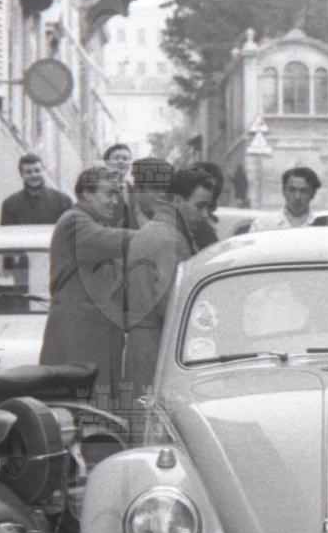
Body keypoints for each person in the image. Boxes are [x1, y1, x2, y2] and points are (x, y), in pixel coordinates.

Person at [39, 166, 136, 407]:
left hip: (94, 335)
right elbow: (113, 241)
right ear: (87, 194)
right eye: (109, 193)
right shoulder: (74, 221)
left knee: (98, 409)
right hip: (79, 336)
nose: (115, 201)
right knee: (84, 409)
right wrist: (155, 236)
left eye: (117, 194)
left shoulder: (93, 223)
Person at [120, 158, 185, 413]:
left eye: (163, 189)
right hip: (144, 332)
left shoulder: (162, 224)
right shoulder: (128, 222)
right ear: (137, 190)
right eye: (152, 188)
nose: (159, 195)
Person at [0, 154, 75, 225]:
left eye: (37, 170)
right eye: (28, 172)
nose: (34, 175)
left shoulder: (63, 202)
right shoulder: (10, 205)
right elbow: (7, 233)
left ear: (43, 171)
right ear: (21, 175)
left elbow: (71, 231)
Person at [167, 166, 219, 254]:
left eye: (208, 207)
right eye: (200, 206)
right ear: (177, 201)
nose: (205, 214)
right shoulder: (168, 239)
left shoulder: (205, 233)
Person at [251, 166, 321, 230]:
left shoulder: (321, 226)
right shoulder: (262, 225)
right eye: (292, 190)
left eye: (304, 191)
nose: (297, 197)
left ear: (313, 194)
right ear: (283, 191)